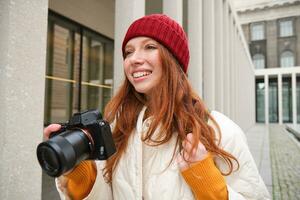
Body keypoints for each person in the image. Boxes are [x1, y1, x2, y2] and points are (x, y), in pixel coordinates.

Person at [44, 14, 270, 200]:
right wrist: (81, 174)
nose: (134, 59)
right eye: (129, 52)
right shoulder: (119, 127)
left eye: (149, 47)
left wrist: (210, 186)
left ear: (174, 60)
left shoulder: (218, 129)